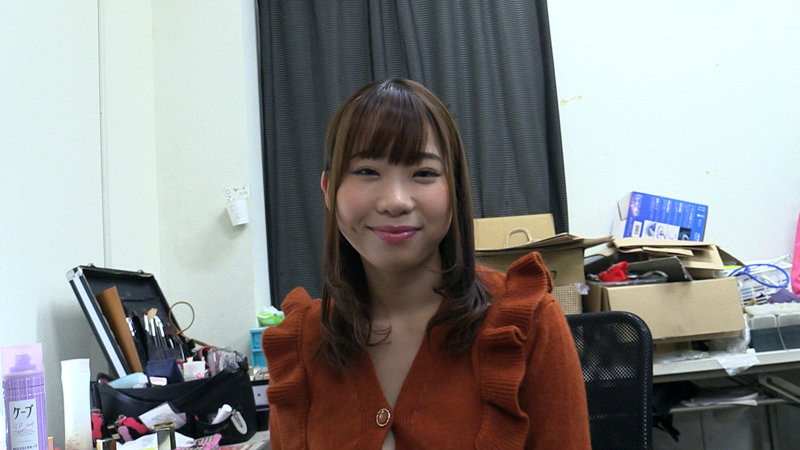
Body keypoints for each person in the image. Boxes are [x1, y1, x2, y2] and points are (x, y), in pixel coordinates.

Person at [262, 78, 590, 449]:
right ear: (328, 189)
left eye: (424, 174)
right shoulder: (302, 344)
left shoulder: (527, 327)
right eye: (367, 171)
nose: (395, 201)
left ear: (455, 191)